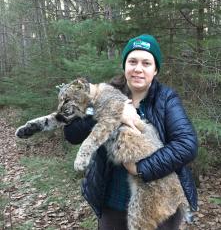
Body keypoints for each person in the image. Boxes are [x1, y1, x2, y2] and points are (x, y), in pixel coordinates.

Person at [64, 34, 198, 230]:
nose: (138, 68)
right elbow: (72, 133)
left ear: (155, 70)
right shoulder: (105, 93)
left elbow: (187, 144)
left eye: (146, 63)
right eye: (132, 61)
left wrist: (141, 167)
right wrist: (114, 112)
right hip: (112, 203)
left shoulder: (166, 99)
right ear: (124, 65)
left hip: (158, 201)